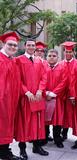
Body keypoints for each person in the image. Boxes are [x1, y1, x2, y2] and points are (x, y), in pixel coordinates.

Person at [15, 38, 49, 160]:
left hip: (38, 97)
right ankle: (22, 149)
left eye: (33, 45)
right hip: (26, 98)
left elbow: (44, 77)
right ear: (25, 46)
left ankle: (36, 146)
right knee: (24, 123)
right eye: (28, 45)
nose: (31, 47)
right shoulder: (18, 60)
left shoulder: (39, 61)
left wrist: (40, 90)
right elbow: (17, 79)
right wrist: (26, 91)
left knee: (38, 123)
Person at [0, 32, 21, 160]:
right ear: (3, 44)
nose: (13, 47)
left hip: (10, 100)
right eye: (10, 44)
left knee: (7, 125)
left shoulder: (12, 60)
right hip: (2, 100)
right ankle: (4, 153)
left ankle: (5, 150)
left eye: (15, 45)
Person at [45, 49, 67, 148]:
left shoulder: (62, 68)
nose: (51, 57)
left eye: (54, 56)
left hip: (57, 98)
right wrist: (46, 93)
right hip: (45, 98)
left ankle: (57, 139)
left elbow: (64, 82)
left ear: (58, 57)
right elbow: (40, 80)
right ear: (46, 57)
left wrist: (53, 93)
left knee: (57, 120)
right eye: (49, 55)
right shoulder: (43, 67)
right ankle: (45, 137)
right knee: (45, 119)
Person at [60, 41, 77, 141]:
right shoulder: (60, 64)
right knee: (64, 114)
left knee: (74, 114)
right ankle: (64, 133)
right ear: (64, 52)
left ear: (73, 53)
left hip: (73, 94)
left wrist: (73, 94)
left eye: (70, 52)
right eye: (66, 51)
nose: (68, 54)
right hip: (62, 94)